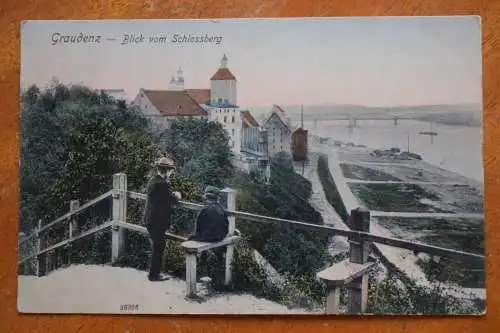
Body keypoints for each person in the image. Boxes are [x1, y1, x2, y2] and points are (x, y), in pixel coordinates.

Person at [143, 156, 182, 282]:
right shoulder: (162, 184)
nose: (171, 173)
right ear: (167, 171)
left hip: (151, 219)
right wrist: (177, 195)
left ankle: (154, 273)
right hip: (156, 221)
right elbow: (173, 199)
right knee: (159, 246)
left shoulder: (154, 180)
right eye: (171, 170)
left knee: (157, 245)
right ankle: (154, 275)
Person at [188, 186, 229, 288]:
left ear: (207, 198)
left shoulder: (205, 209)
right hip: (220, 237)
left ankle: (200, 270)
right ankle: (214, 275)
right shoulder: (221, 209)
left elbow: (198, 227)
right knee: (207, 245)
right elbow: (226, 225)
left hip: (209, 237)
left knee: (191, 239)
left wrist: (195, 236)